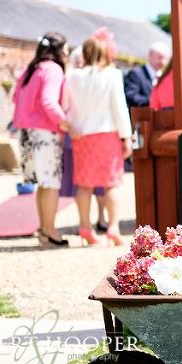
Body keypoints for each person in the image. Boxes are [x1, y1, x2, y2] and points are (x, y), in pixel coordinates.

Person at [63, 34, 133, 246]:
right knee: (111, 183)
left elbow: (65, 107)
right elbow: (119, 107)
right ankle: (113, 227)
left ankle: (85, 227)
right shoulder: (112, 74)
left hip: (81, 135)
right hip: (107, 133)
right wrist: (126, 136)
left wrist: (70, 126)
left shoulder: (72, 76)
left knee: (84, 185)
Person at [12, 32, 70, 246]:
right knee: (51, 183)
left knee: (42, 184)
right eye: (66, 50)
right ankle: (50, 230)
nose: (67, 55)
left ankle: (45, 229)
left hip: (26, 133)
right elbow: (48, 101)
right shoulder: (53, 69)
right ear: (59, 50)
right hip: (45, 132)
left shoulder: (30, 68)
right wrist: (65, 123)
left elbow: (15, 98)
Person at [60, 44, 108, 231]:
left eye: (82, 61)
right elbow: (63, 107)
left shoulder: (99, 76)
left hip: (96, 134)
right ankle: (84, 222)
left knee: (101, 183)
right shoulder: (70, 78)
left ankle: (101, 217)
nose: (80, 64)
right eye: (77, 61)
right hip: (75, 136)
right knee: (80, 183)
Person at [124, 41, 171, 108]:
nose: (163, 62)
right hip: (141, 114)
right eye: (160, 57)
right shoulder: (135, 74)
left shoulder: (164, 77)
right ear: (150, 55)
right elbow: (131, 97)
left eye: (165, 59)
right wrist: (155, 100)